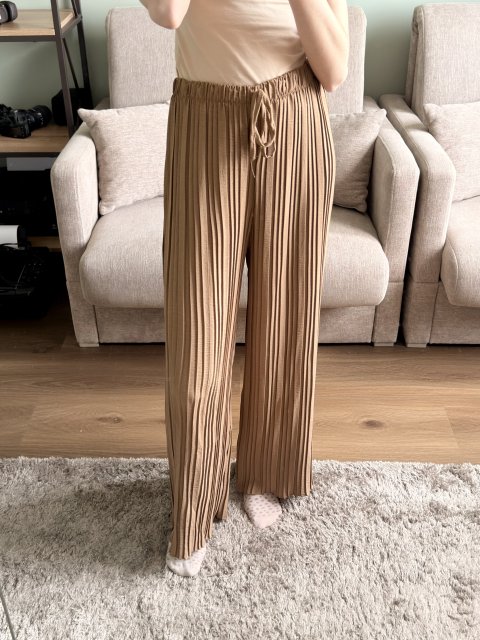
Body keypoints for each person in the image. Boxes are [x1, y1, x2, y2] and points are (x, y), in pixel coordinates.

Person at [139, 0, 349, 577]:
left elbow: (333, 71)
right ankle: (194, 501)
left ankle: (265, 472)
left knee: (285, 316)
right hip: (204, 122)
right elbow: (168, 13)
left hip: (295, 121)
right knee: (197, 326)